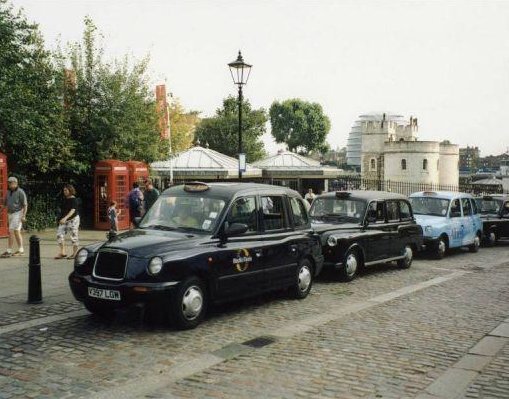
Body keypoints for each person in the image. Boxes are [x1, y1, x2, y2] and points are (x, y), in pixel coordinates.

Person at [1, 177, 28, 257]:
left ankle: (9, 250)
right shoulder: (8, 192)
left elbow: (25, 205)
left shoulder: (20, 192)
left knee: (11, 231)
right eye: (9, 183)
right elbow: (4, 204)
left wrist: (23, 215)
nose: (9, 184)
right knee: (16, 232)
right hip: (10, 214)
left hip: (18, 213)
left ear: (16, 183)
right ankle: (21, 250)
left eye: (11, 183)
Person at [55, 184, 80, 260]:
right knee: (59, 235)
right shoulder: (65, 199)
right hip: (64, 219)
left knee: (73, 237)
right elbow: (62, 210)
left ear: (70, 190)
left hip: (73, 220)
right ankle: (63, 253)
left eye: (66, 190)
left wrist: (65, 218)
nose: (64, 192)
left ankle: (75, 254)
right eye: (64, 190)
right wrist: (59, 218)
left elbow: (72, 211)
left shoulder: (74, 200)